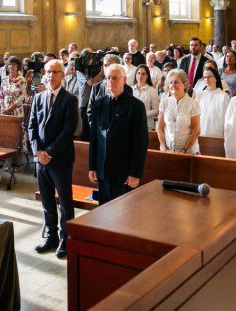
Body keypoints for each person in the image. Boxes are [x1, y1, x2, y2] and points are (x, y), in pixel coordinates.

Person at [28, 60, 78, 259]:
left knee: (65, 202)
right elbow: (31, 126)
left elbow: (68, 130)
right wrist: (38, 152)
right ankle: (51, 236)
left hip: (60, 159)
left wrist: (49, 153)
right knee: (47, 201)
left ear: (63, 74)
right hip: (41, 160)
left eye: (55, 72)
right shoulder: (39, 97)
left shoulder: (69, 99)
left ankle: (66, 238)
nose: (50, 76)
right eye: (48, 72)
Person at [88, 64, 148, 204]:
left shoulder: (136, 106)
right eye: (108, 78)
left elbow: (140, 143)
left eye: (115, 78)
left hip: (124, 173)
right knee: (104, 213)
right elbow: (94, 138)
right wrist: (92, 167)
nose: (111, 81)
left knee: (124, 214)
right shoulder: (99, 104)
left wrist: (135, 173)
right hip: (103, 171)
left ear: (124, 80)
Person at [157, 68, 201, 154]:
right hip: (168, 151)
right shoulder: (164, 102)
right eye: (170, 82)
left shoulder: (193, 104)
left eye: (176, 82)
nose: (173, 85)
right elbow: (159, 128)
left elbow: (196, 131)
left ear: (185, 85)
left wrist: (184, 151)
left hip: (189, 152)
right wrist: (165, 149)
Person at [195, 65, 228, 136]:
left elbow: (227, 119)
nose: (206, 79)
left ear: (215, 78)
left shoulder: (223, 96)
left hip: (217, 135)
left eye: (209, 77)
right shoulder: (199, 96)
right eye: (205, 77)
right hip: (201, 134)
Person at [132, 64, 160, 130]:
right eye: (138, 73)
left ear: (147, 76)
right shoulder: (130, 90)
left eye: (143, 74)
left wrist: (143, 113)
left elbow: (157, 110)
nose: (140, 76)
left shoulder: (152, 90)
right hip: (132, 125)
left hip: (147, 125)